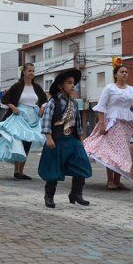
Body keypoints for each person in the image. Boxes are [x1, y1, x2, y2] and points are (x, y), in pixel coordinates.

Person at [83, 65, 133, 190]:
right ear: (115, 75)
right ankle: (110, 180)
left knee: (123, 152)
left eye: (126, 72)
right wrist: (102, 124)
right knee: (110, 151)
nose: (125, 74)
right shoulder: (109, 88)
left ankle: (118, 180)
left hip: (127, 123)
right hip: (111, 123)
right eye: (122, 72)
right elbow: (101, 107)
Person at [38, 69, 92, 209]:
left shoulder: (74, 103)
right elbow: (46, 120)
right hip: (57, 140)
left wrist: (80, 139)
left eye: (73, 83)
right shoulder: (53, 102)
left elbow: (78, 122)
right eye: (69, 83)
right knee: (53, 170)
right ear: (61, 86)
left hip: (72, 140)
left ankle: (76, 193)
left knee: (82, 164)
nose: (73, 86)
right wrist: (48, 138)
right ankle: (49, 196)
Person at [0, 63, 47, 180]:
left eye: (33, 71)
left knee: (28, 142)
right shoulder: (17, 86)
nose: (32, 73)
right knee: (18, 141)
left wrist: (42, 108)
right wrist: (13, 107)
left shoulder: (37, 87)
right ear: (24, 72)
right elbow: (5, 98)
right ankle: (16, 171)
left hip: (32, 117)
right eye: (29, 70)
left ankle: (21, 171)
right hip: (19, 115)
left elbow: (44, 100)